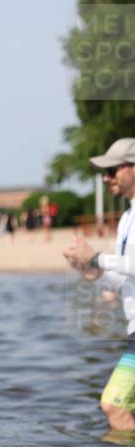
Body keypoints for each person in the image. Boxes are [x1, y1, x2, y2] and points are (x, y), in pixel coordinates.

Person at [63, 137, 135, 431]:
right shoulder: (127, 217)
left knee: (114, 405)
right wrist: (93, 272)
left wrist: (97, 257)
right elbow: (124, 278)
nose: (106, 179)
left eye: (112, 170)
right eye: (103, 173)